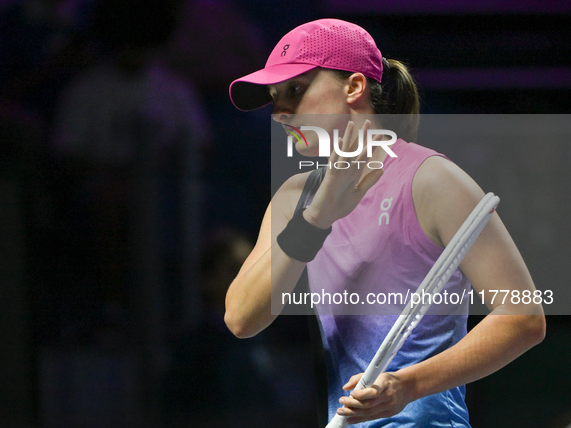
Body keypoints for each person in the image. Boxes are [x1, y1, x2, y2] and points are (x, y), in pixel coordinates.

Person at [223, 18, 546, 427]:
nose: (280, 113)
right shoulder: (294, 199)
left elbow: (523, 317)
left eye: (296, 91)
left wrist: (407, 386)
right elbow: (241, 318)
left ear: (354, 87)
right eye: (275, 99)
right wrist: (317, 218)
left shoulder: (432, 180)